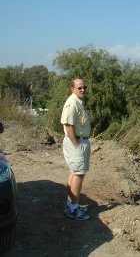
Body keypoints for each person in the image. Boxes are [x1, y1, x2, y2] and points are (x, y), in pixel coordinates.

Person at [61, 77, 91, 220]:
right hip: (76, 142)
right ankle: (73, 208)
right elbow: (68, 125)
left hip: (79, 141)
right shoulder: (72, 103)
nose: (83, 90)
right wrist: (77, 145)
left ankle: (71, 204)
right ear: (72, 88)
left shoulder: (78, 102)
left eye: (84, 87)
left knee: (75, 173)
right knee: (78, 174)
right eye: (79, 88)